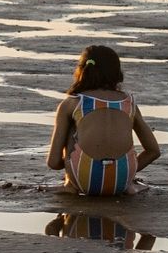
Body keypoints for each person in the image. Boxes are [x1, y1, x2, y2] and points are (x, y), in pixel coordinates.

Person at [46, 44, 161, 197]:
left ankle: (69, 185)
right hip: (121, 182)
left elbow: (53, 163)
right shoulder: (129, 103)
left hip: (82, 179)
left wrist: (73, 163)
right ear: (117, 73)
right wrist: (125, 171)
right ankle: (126, 180)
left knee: (74, 127)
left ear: (82, 70)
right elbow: (153, 151)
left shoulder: (72, 103)